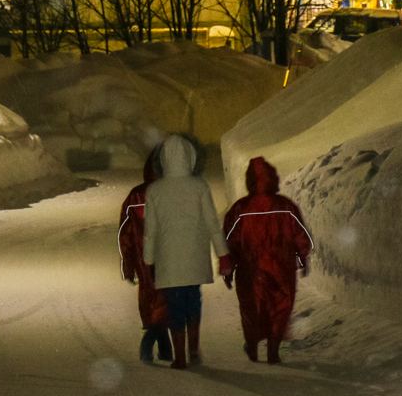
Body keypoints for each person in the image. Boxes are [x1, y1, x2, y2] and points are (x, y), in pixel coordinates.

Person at [142, 134, 230, 370]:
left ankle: (179, 356)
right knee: (193, 302)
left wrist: (148, 260)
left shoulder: (155, 191)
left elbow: (150, 231)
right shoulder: (199, 186)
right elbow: (213, 224)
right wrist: (223, 254)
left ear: (164, 160)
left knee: (175, 306)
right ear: (189, 157)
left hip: (169, 261)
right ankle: (193, 349)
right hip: (195, 258)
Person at [222, 156, 313, 364]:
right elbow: (301, 235)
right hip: (281, 269)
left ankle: (252, 346)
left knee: (252, 308)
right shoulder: (286, 207)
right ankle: (273, 350)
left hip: (250, 271)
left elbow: (229, 241)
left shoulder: (240, 209)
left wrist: (228, 268)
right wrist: (303, 256)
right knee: (279, 308)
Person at [118, 148, 172, 363]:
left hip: (145, 260)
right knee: (166, 301)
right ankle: (148, 345)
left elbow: (125, 234)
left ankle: (165, 349)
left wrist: (128, 266)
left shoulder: (135, 195)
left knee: (153, 300)